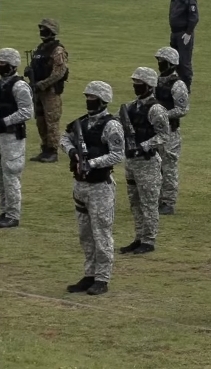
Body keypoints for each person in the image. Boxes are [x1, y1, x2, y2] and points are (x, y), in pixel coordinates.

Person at [61, 81, 125, 296]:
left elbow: (118, 154)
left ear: (103, 100)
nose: (88, 101)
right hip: (81, 185)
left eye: (92, 97)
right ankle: (89, 274)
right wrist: (72, 153)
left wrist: (94, 163)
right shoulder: (80, 124)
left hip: (100, 187)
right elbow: (64, 138)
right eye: (86, 97)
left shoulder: (111, 126)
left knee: (101, 233)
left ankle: (102, 278)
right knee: (85, 234)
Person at [118, 67, 170, 255]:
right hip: (131, 162)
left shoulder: (156, 109)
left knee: (149, 203)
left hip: (147, 162)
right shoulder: (130, 107)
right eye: (135, 84)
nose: (135, 87)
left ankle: (149, 240)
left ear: (149, 86)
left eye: (139, 84)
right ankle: (139, 236)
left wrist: (145, 145)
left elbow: (164, 135)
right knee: (135, 202)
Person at [26, 18, 68, 163]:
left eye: (45, 29)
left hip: (50, 92)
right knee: (40, 121)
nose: (42, 31)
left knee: (51, 122)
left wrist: (42, 84)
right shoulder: (40, 48)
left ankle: (52, 151)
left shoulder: (57, 50)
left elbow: (59, 73)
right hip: (38, 91)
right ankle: (45, 149)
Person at [154, 47, 189, 215]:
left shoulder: (178, 85)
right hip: (155, 131)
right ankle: (156, 197)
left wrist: (162, 115)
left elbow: (182, 109)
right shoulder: (156, 80)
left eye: (161, 61)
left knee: (168, 168)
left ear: (170, 63)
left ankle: (168, 201)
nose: (159, 64)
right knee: (154, 165)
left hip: (170, 132)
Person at [0, 48, 33, 228]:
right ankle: (4, 211)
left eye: (2, 63)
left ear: (12, 65)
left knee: (11, 174)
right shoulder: (2, 84)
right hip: (2, 135)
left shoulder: (19, 86)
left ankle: (13, 215)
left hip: (12, 137)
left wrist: (5, 121)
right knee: (1, 176)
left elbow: (27, 111)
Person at [168, 0, 199, 92]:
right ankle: (176, 85)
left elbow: (194, 17)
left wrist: (189, 32)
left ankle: (186, 87)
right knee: (173, 60)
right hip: (174, 33)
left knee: (184, 61)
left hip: (184, 34)